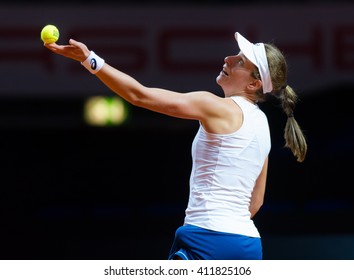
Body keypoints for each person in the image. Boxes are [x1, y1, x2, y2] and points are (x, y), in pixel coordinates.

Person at [44, 31, 307, 260]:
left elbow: (139, 95)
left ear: (254, 83)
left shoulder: (215, 105)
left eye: (239, 61)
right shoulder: (263, 125)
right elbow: (256, 202)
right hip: (248, 245)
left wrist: (90, 60)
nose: (228, 59)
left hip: (205, 238)